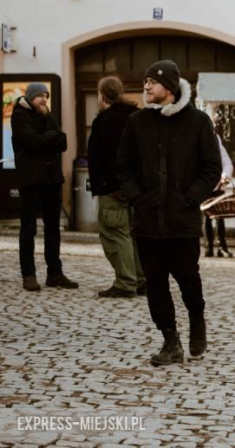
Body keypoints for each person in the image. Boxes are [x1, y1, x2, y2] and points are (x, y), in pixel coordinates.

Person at [116, 60, 221, 366]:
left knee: (188, 279)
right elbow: (123, 168)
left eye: (152, 81)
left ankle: (197, 316)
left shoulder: (198, 122)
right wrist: (137, 198)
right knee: (156, 283)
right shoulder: (137, 122)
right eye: (145, 81)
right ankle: (170, 340)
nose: (146, 86)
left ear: (171, 87)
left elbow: (211, 168)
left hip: (182, 220)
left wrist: (189, 199)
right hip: (147, 221)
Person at [11, 82, 77, 292]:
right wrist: (50, 137)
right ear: (31, 97)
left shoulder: (47, 114)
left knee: (52, 229)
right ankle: (28, 274)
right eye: (41, 96)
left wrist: (48, 138)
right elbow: (32, 142)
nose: (44, 100)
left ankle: (54, 273)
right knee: (28, 228)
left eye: (46, 96)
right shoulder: (19, 115)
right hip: (31, 179)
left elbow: (63, 142)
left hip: (51, 179)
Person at [88, 76, 146, 298]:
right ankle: (140, 280)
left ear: (102, 95)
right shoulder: (135, 116)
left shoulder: (106, 121)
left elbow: (110, 157)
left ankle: (125, 282)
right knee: (131, 235)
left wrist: (112, 184)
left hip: (112, 188)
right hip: (132, 189)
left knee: (114, 234)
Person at [204, 128, 234, 258]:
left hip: (218, 185)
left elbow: (227, 162)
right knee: (206, 218)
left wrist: (225, 176)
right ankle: (208, 247)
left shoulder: (216, 141)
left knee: (220, 217)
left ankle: (222, 247)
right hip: (204, 186)